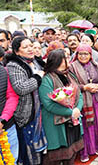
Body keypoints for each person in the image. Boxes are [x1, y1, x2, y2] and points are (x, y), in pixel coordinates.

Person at [6, 36, 47, 164]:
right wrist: (37, 77)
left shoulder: (35, 61)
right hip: (26, 114)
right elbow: (21, 88)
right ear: (17, 51)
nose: (30, 49)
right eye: (25, 47)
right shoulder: (14, 65)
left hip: (39, 110)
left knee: (39, 150)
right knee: (29, 150)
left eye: (31, 45)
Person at [39, 49, 84, 165]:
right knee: (55, 157)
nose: (69, 60)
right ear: (59, 61)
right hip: (56, 124)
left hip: (73, 120)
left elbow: (79, 94)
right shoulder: (47, 79)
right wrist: (70, 112)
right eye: (66, 57)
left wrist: (77, 109)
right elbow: (48, 104)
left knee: (72, 154)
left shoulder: (69, 74)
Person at [69, 44, 98, 162]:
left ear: (91, 55)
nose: (83, 56)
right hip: (83, 103)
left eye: (86, 54)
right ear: (76, 55)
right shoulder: (72, 67)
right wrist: (85, 87)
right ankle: (85, 151)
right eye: (80, 53)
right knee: (86, 127)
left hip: (97, 100)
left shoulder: (96, 65)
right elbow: (70, 85)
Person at [0, 65, 19, 163]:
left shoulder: (4, 71)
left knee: (12, 159)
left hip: (7, 126)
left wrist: (3, 119)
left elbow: (12, 97)